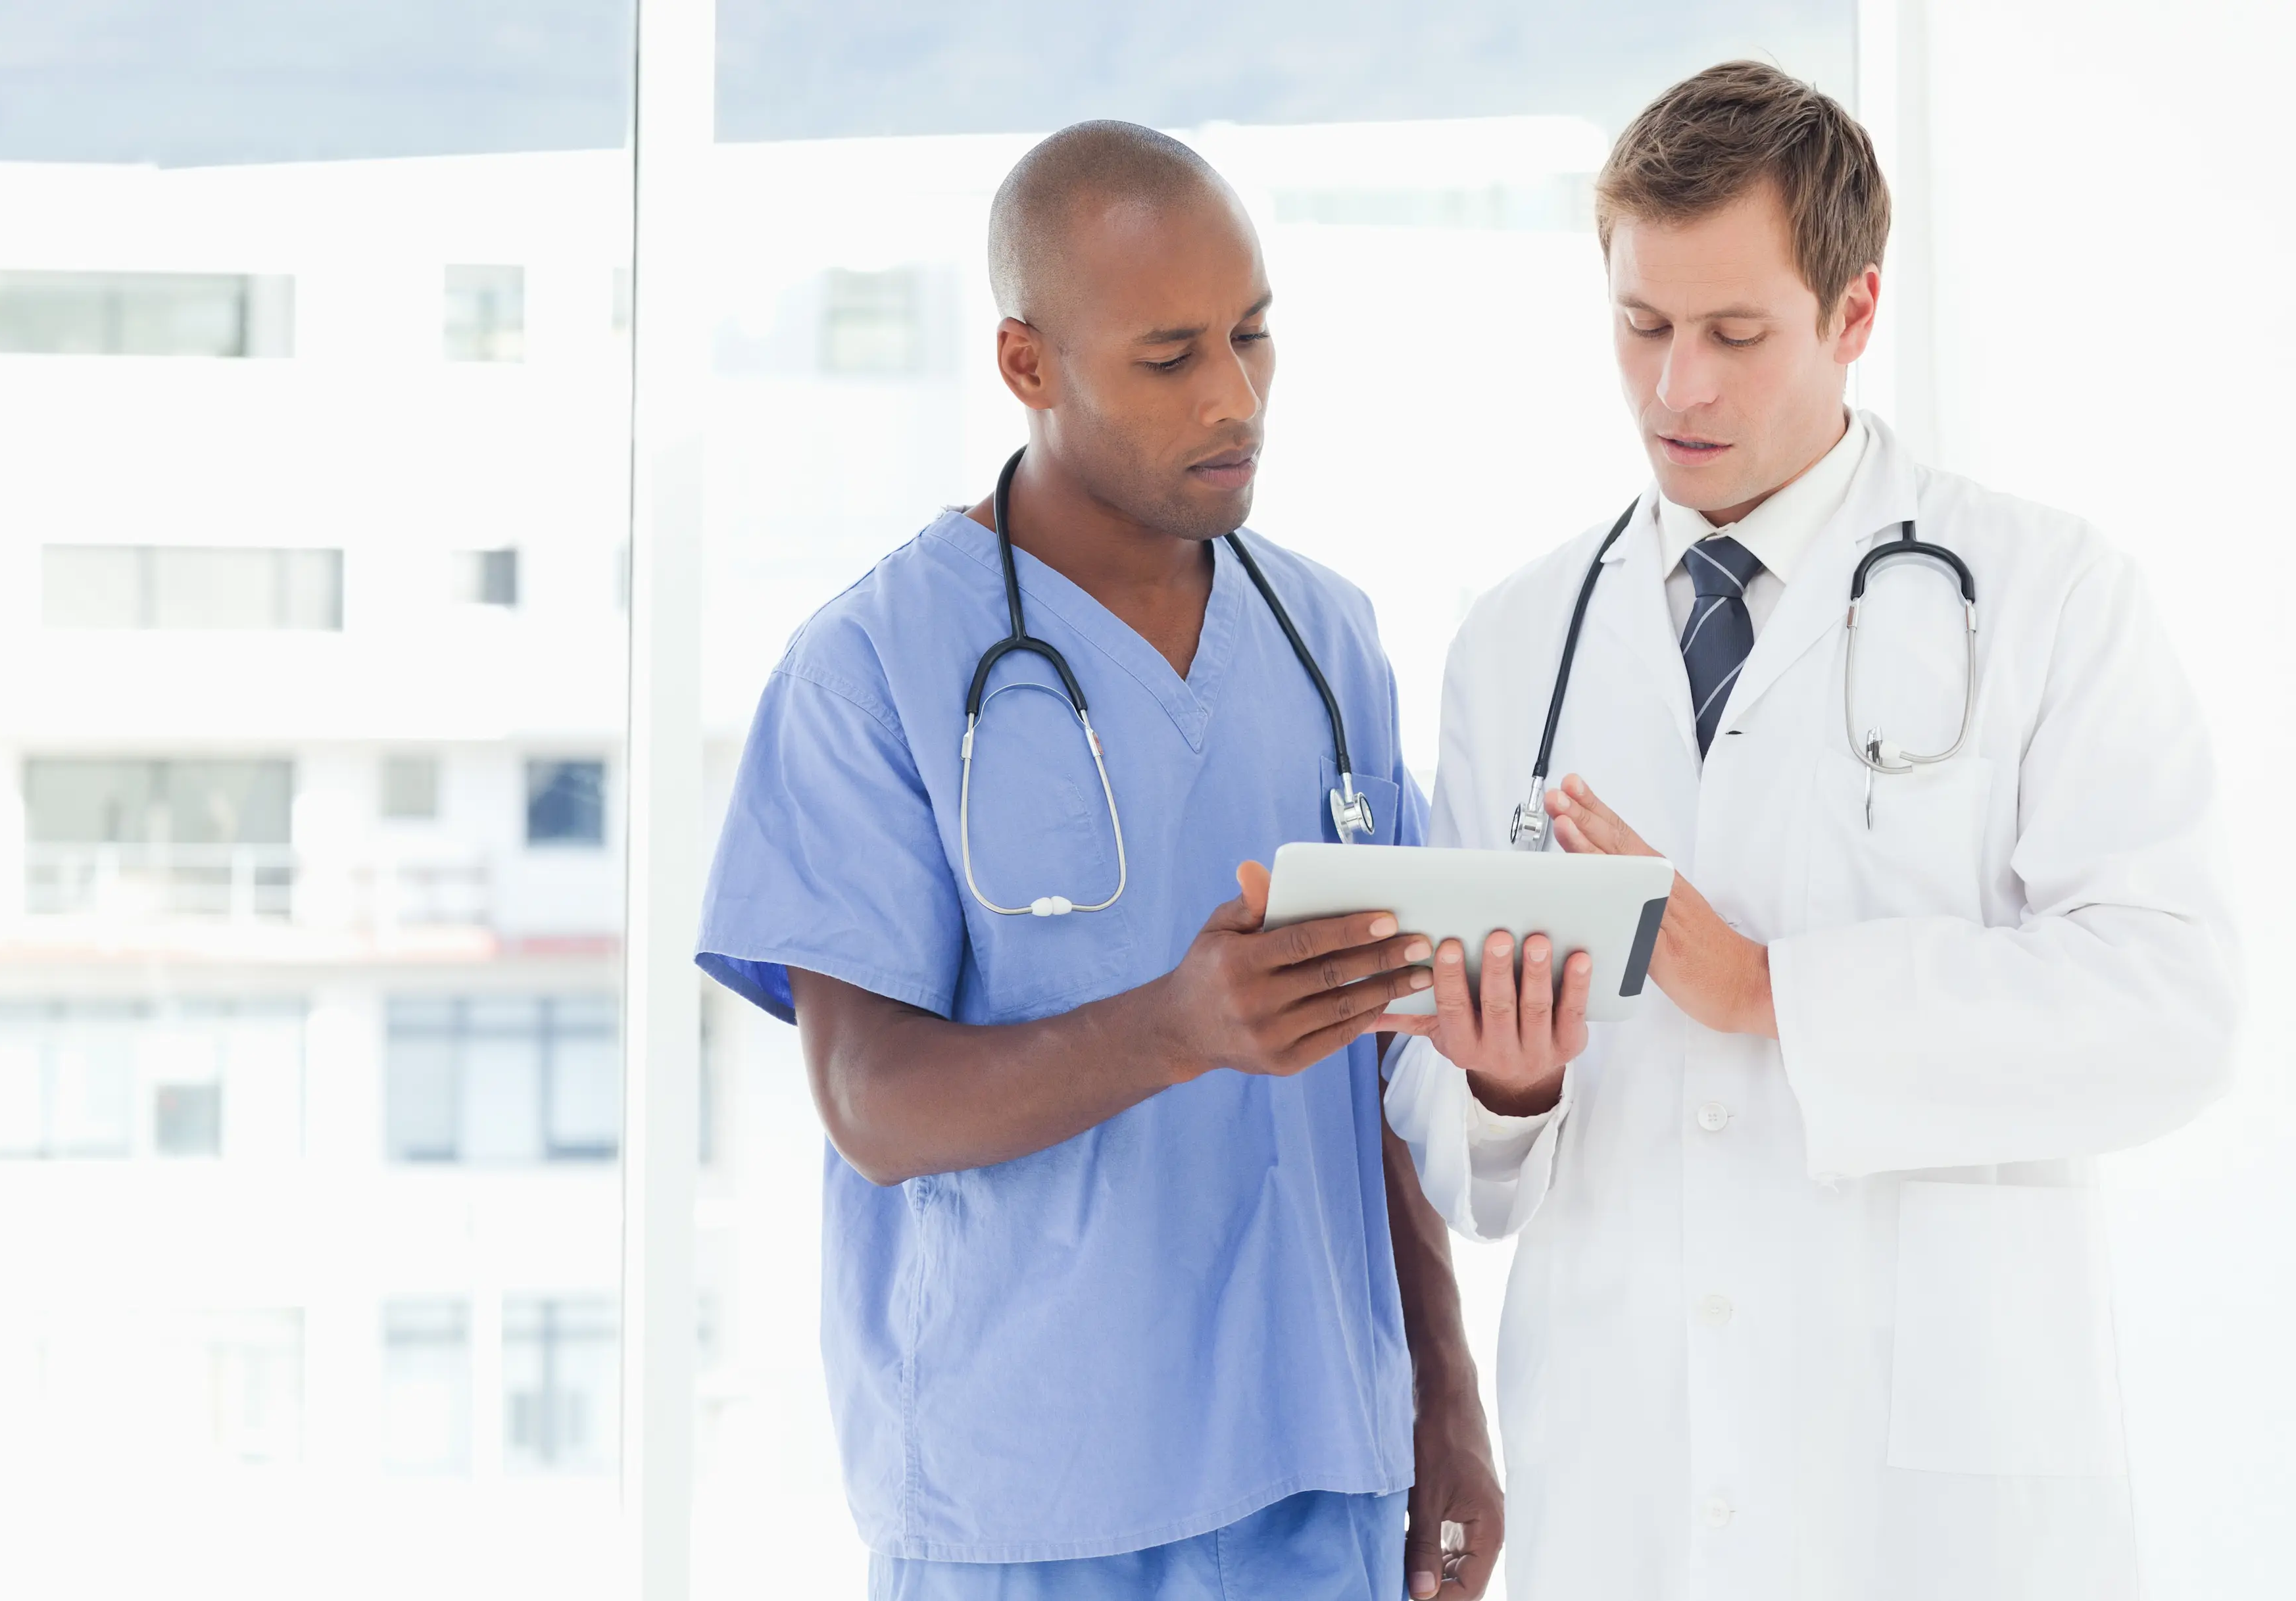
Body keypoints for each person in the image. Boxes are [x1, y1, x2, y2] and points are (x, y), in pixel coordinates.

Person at [1380, 62, 2237, 1601]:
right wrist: (1505, 1079)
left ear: (1853, 314)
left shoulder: (2046, 593)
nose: (1675, 390)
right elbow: (1447, 1129)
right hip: (1627, 1488)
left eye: (1735, 334)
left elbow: (2171, 1009)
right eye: (1641, 327)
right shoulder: (1520, 643)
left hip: (1936, 1510)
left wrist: (1776, 990)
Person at [698, 121, 1502, 1600]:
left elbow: (1375, 1073)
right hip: (1029, 1497)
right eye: (1171, 354)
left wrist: (1445, 1395)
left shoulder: (1329, 644)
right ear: (1027, 362)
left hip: (1321, 1467)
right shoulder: (872, 665)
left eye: (1256, 337)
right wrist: (1177, 1028)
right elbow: (868, 1100)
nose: (1236, 397)